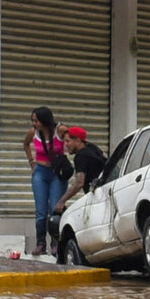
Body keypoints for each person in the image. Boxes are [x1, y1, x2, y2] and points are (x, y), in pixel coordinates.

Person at [25, 107, 69, 257]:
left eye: (36, 120)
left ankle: (56, 243)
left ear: (44, 120)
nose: (34, 123)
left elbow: (73, 139)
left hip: (57, 173)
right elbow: (26, 144)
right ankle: (40, 243)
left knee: (55, 208)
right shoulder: (34, 133)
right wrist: (32, 163)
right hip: (41, 173)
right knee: (41, 211)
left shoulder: (60, 130)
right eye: (33, 120)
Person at [58, 125, 107, 208]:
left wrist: (62, 201)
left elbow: (79, 183)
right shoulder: (92, 147)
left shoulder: (81, 157)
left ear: (77, 140)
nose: (65, 144)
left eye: (67, 141)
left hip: (99, 199)